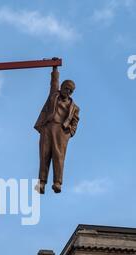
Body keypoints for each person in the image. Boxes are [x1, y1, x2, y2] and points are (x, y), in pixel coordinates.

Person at [34, 65, 80, 194]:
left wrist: (70, 133)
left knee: (58, 157)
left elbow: (75, 122)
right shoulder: (54, 96)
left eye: (71, 91)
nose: (68, 92)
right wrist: (55, 69)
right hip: (48, 127)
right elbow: (54, 82)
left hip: (61, 131)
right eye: (67, 89)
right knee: (44, 155)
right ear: (61, 88)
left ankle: (57, 182)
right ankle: (41, 183)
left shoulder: (74, 107)